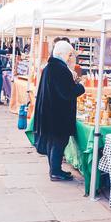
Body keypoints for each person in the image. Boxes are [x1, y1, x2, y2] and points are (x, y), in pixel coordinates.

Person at [33, 41, 85, 181]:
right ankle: (55, 171)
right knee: (59, 142)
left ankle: (54, 170)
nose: (70, 57)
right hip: (57, 114)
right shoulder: (59, 68)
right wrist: (81, 87)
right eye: (69, 54)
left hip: (51, 112)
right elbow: (67, 93)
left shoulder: (52, 66)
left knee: (54, 142)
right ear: (62, 54)